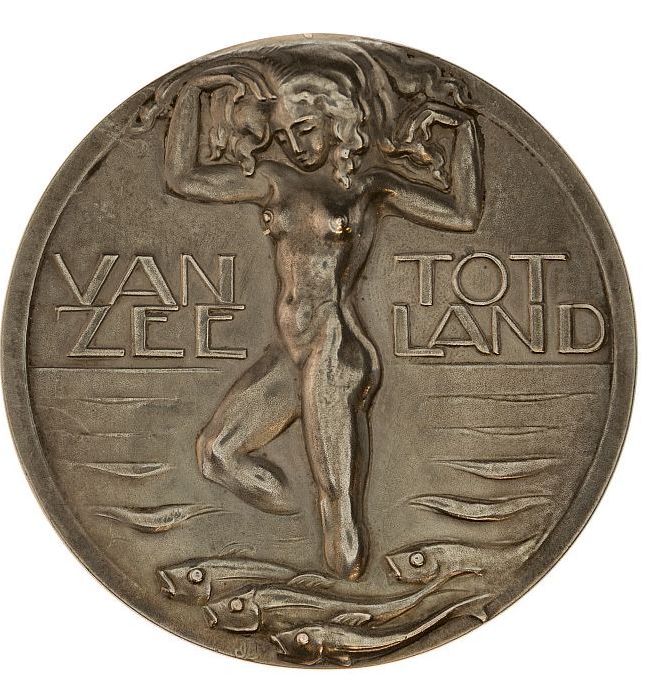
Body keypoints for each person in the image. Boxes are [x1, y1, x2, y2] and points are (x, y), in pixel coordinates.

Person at [144, 47, 483, 579]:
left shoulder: (368, 188)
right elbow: (183, 178)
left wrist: (462, 130)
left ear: (335, 120)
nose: (295, 145)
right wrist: (192, 94)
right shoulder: (275, 181)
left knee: (335, 499)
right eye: (284, 135)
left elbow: (463, 215)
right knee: (216, 454)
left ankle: (345, 591)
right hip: (290, 350)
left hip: (334, 345)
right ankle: (284, 544)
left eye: (304, 129)